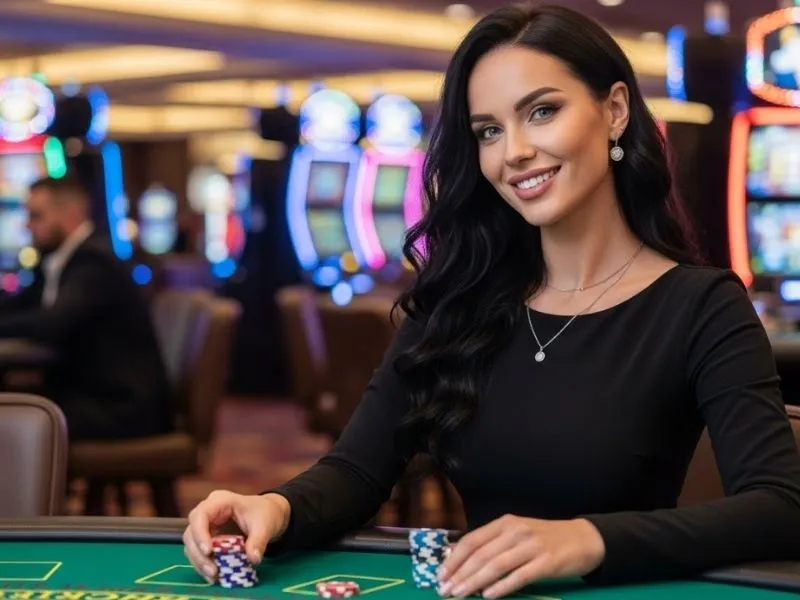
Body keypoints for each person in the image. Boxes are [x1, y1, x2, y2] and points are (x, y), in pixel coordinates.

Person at [183, 4, 800, 598]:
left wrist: (587, 541)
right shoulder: (457, 303)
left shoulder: (701, 306)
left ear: (614, 110)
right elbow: (357, 471)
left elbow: (781, 506)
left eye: (542, 112)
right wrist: (274, 505)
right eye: (489, 131)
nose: (514, 152)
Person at [0, 175, 172, 440]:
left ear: (70, 215)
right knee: (17, 408)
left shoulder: (94, 262)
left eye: (36, 216)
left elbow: (50, 324)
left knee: (14, 420)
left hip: (122, 406)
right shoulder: (58, 260)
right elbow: (20, 306)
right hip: (88, 393)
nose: (26, 225)